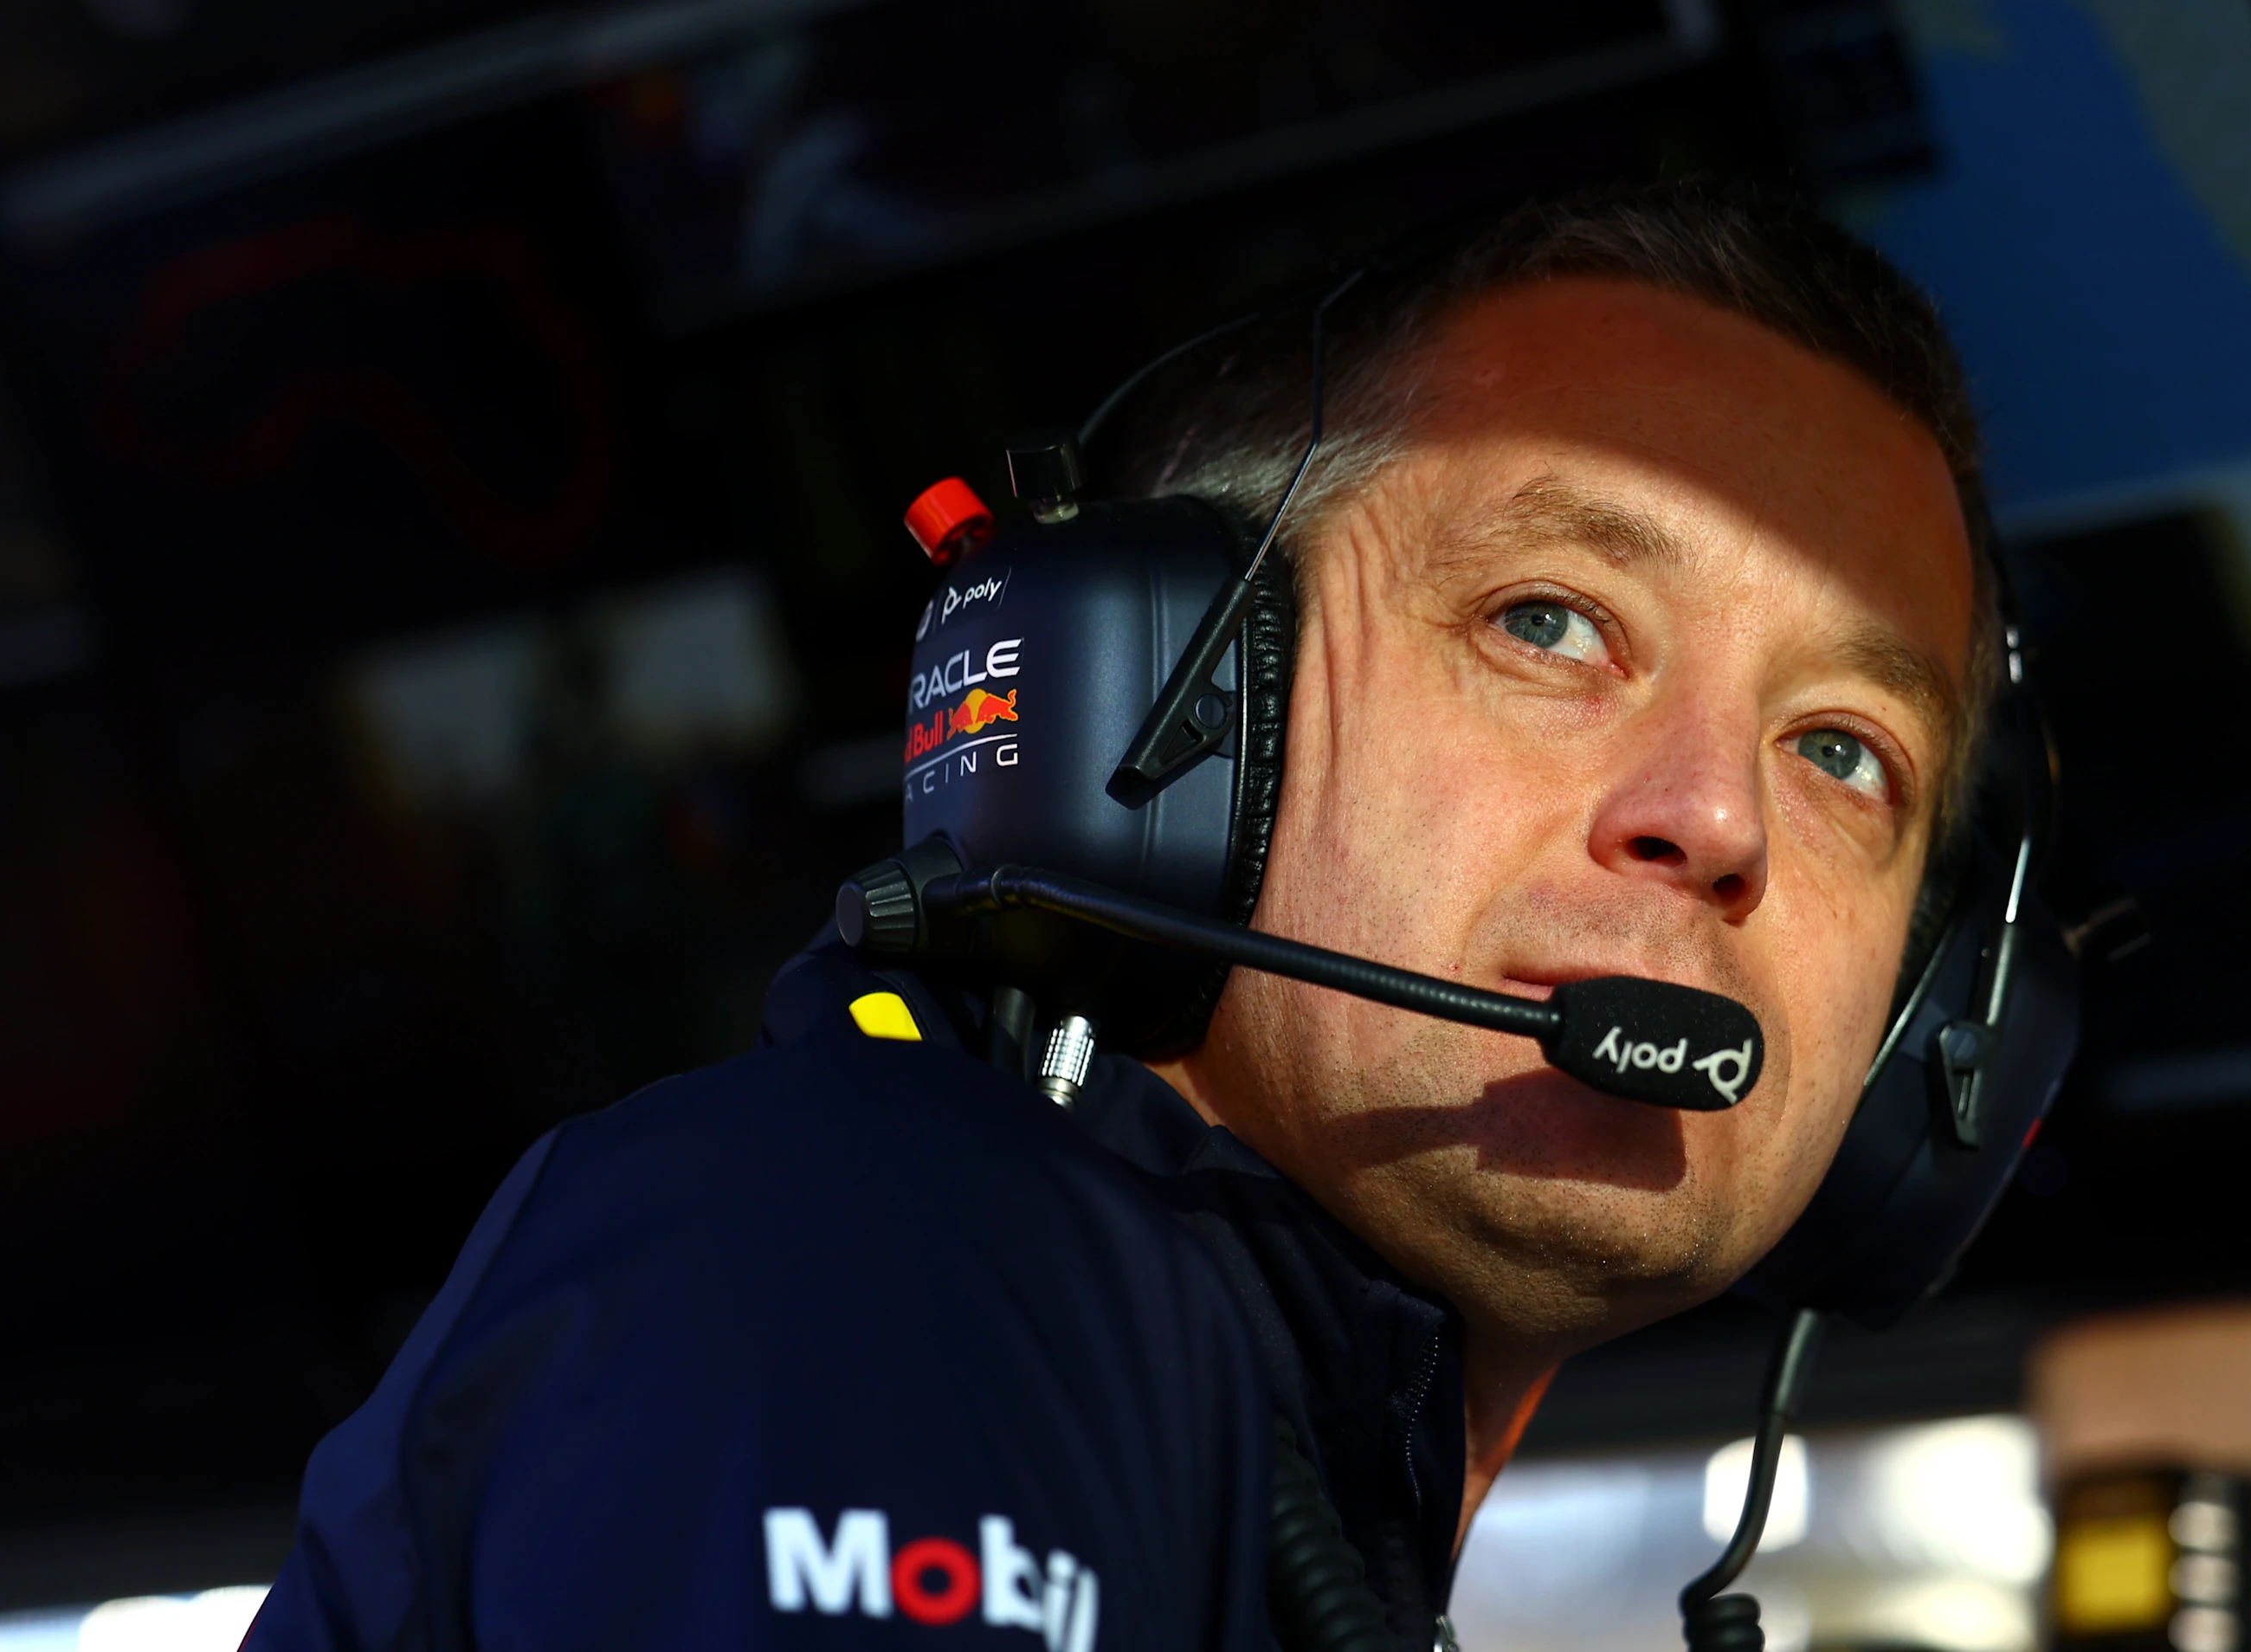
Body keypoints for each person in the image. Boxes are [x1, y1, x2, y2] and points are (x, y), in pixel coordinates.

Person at [245, 177, 2005, 1652]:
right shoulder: (902, 1256)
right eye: (1549, 623)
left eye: (1845, 751)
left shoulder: (1227, 1444)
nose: (1715, 820)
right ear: (1146, 730)